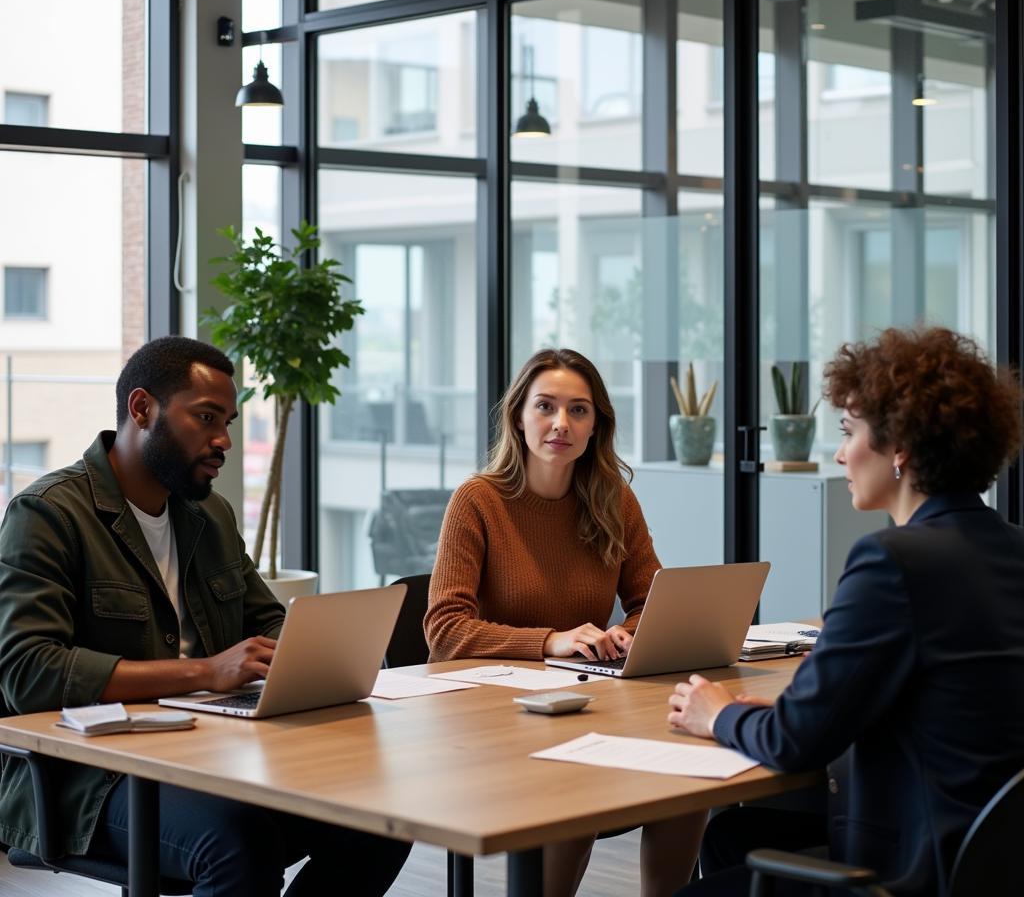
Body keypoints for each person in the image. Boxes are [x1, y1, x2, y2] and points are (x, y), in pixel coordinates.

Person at [0, 336, 411, 897]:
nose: (223, 441)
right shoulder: (48, 513)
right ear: (141, 409)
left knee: (381, 820)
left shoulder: (209, 514)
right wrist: (207, 672)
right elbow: (29, 672)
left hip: (208, 752)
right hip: (88, 779)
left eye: (229, 422)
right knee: (235, 842)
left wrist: (317, 655)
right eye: (206, 418)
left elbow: (268, 623)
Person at [668, 326, 1024, 897]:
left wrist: (717, 713)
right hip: (991, 861)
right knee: (737, 832)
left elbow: (794, 745)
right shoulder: (1011, 548)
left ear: (900, 446)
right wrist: (801, 709)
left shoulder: (892, 561)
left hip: (911, 871)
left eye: (850, 431)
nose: (839, 453)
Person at [425, 347, 705, 897]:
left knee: (689, 770)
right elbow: (445, 629)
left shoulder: (613, 500)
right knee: (577, 788)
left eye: (579, 410)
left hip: (582, 704)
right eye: (546, 406)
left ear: (596, 423)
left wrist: (630, 632)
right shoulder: (478, 501)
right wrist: (551, 641)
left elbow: (653, 600)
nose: (561, 424)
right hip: (489, 719)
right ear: (518, 416)